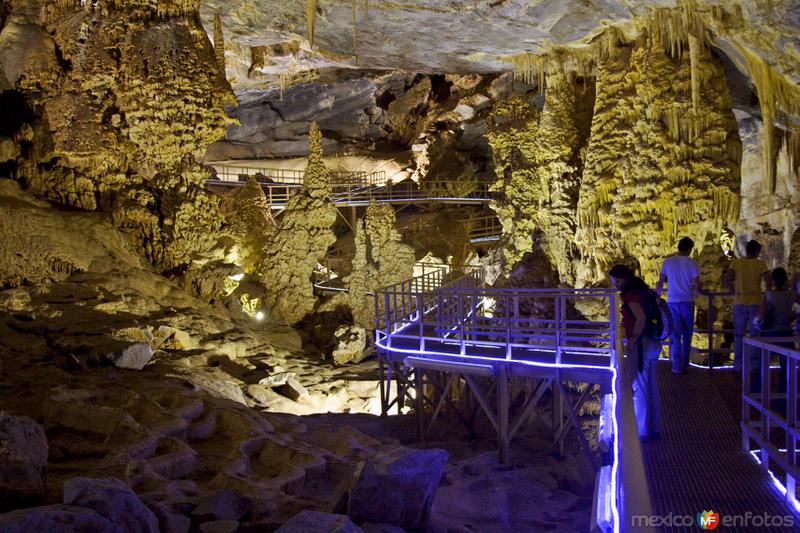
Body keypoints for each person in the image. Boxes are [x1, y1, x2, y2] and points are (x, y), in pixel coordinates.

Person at [609, 264, 661, 440]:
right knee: (652, 386)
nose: (615, 284)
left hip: (642, 343)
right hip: (653, 342)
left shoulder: (631, 294)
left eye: (616, 280)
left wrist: (632, 339)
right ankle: (654, 428)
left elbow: (640, 318)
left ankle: (641, 431)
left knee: (639, 387)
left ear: (624, 278)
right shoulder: (642, 290)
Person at [656, 237, 702, 374]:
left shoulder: (668, 262)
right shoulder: (692, 263)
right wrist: (702, 293)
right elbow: (697, 285)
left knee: (675, 334)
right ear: (689, 249)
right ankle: (685, 364)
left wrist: (656, 296)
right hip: (687, 300)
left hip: (672, 302)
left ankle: (676, 366)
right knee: (687, 334)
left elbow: (660, 283)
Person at [724, 239, 769, 372]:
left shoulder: (736, 263)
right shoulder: (760, 264)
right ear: (756, 251)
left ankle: (738, 365)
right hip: (755, 302)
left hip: (739, 302)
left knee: (739, 335)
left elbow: (727, 280)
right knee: (755, 335)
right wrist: (767, 296)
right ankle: (754, 366)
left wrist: (734, 292)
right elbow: (769, 281)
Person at [753, 267, 794, 398]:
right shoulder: (791, 295)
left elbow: (761, 313)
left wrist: (756, 324)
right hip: (787, 333)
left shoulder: (769, 295)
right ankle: (784, 394)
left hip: (770, 333)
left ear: (773, 281)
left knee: (764, 363)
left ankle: (759, 390)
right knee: (786, 366)